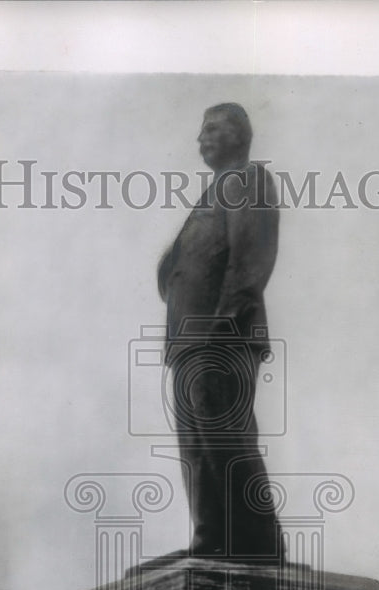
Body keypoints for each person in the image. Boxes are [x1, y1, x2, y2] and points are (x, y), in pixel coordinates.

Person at [157, 103, 283, 559]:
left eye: (211, 128)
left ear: (239, 136)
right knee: (195, 443)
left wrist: (223, 328)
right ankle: (211, 537)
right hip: (189, 341)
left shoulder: (247, 179)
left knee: (225, 436)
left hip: (220, 336)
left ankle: (258, 543)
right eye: (200, 130)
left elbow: (250, 262)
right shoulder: (215, 189)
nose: (200, 138)